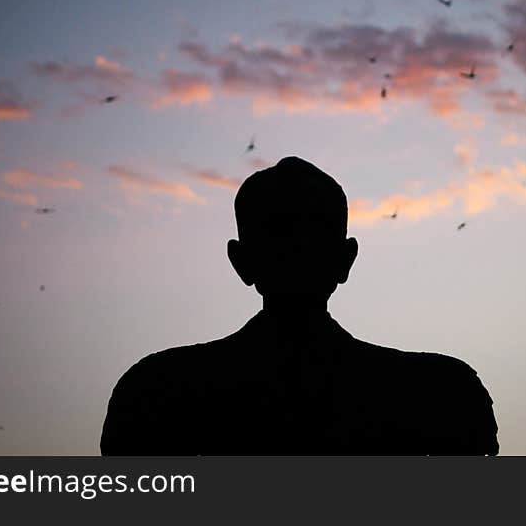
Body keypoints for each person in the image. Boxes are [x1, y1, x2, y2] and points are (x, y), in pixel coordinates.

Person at [101, 156, 498, 454]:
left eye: (308, 234)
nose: (297, 249)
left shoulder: (160, 391)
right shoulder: (436, 393)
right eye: (282, 234)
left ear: (240, 262)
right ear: (346, 260)